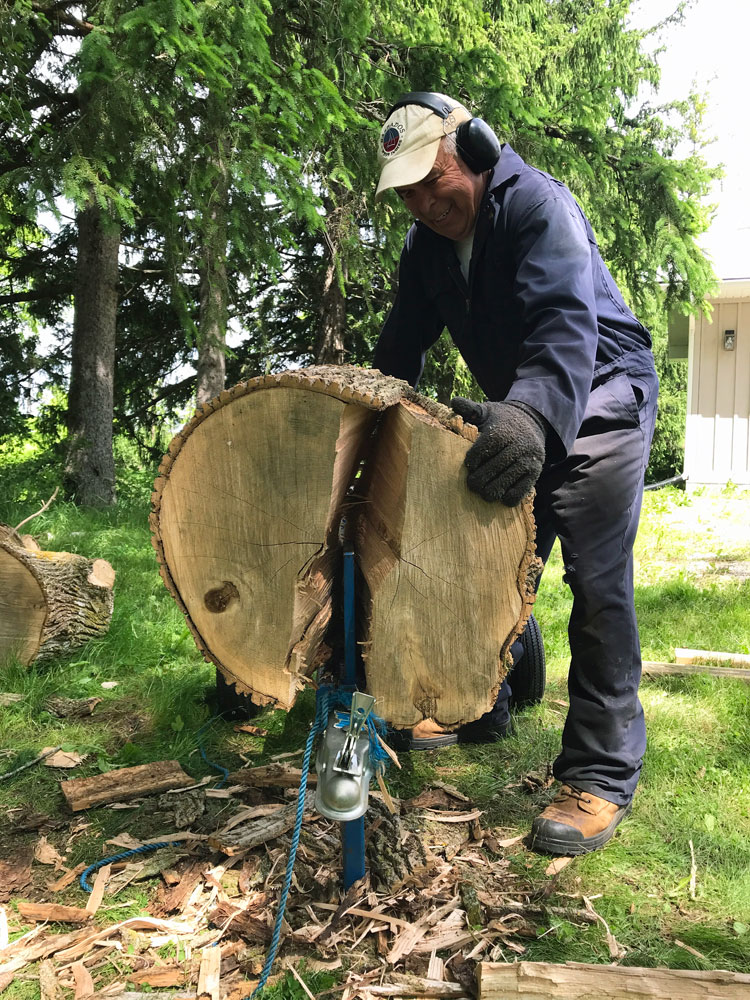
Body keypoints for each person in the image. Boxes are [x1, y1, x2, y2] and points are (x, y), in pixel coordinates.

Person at [372, 92, 659, 856]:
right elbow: (401, 343)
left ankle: (598, 776)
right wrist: (362, 412)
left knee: (597, 584)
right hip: (522, 409)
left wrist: (530, 419)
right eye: (408, 193)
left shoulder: (537, 206)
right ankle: (484, 702)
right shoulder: (426, 248)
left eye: (435, 181)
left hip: (603, 393)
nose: (426, 203)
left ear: (476, 151)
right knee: (491, 563)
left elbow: (568, 325)